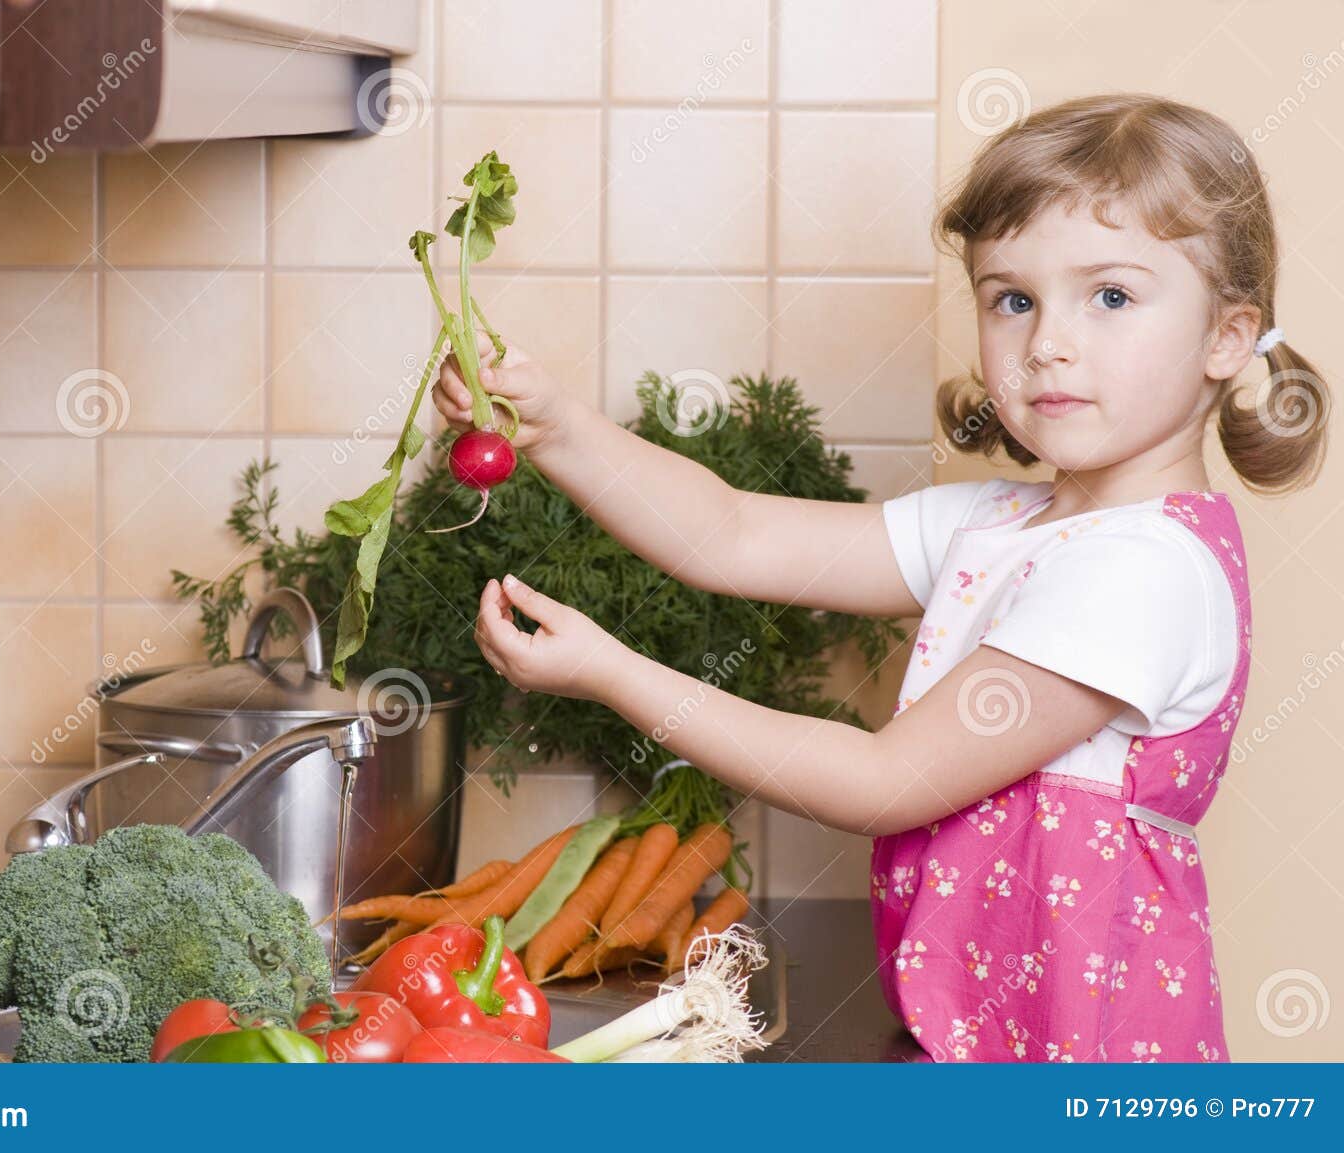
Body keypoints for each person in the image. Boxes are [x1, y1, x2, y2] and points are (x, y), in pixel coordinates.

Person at [431, 93, 1330, 1062]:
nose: (1046, 344)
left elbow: (881, 780)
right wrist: (561, 430)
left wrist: (614, 674)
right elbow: (731, 535)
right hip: (977, 1042)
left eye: (1109, 296)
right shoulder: (1006, 522)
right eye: (1010, 298)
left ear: (1227, 338)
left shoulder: (1140, 574)